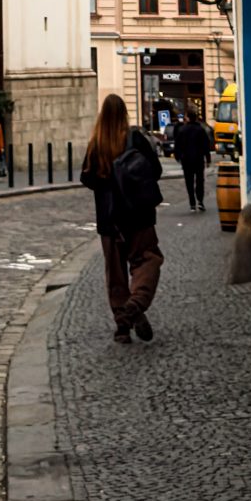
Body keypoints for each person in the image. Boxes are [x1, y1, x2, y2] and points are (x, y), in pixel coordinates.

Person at [82, 92, 164, 342]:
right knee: (148, 260)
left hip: (109, 219)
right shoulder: (135, 138)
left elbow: (87, 178)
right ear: (124, 114)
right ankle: (136, 304)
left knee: (115, 274)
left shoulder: (97, 143)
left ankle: (122, 326)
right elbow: (156, 170)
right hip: (138, 214)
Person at [174, 110, 213, 212]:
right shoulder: (200, 129)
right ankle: (200, 201)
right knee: (200, 180)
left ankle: (192, 203)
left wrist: (178, 157)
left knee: (189, 181)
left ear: (187, 118)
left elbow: (177, 145)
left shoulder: (182, 130)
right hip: (198, 159)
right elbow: (206, 145)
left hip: (186, 160)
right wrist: (208, 158)